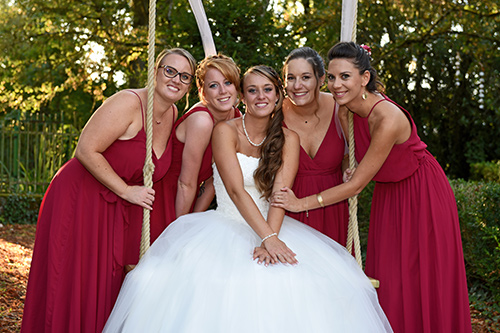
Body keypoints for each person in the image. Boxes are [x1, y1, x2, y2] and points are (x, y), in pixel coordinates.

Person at [102, 65, 393, 332]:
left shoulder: (288, 139)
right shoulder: (224, 132)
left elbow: (281, 194)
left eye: (268, 90)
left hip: (273, 224)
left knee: (303, 285)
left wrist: (273, 237)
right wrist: (267, 238)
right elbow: (235, 190)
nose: (260, 96)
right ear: (243, 97)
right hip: (226, 224)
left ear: (279, 97)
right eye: (252, 90)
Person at [271, 41, 472, 333]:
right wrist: (353, 167)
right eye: (332, 77)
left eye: (345, 77)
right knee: (389, 278)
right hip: (388, 194)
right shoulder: (346, 111)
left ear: (364, 78)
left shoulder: (386, 117)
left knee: (424, 276)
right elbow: (356, 161)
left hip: (421, 193)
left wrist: (301, 203)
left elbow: (355, 186)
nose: (337, 85)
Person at [21, 48, 196, 333]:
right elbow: (86, 149)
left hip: (116, 207)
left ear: (189, 85)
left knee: (108, 286)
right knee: (76, 283)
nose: (176, 79)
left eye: (185, 76)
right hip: (82, 199)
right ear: (155, 70)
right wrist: (127, 191)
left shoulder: (174, 113)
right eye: (170, 70)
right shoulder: (129, 103)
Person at [150, 54, 242, 241]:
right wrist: (179, 230)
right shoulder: (202, 121)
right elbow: (186, 182)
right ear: (203, 92)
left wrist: (194, 220)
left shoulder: (236, 118)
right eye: (213, 85)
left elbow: (214, 180)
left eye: (228, 82)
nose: (223, 91)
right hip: (164, 196)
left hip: (188, 199)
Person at [281, 47, 349, 245]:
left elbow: (347, 156)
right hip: (289, 210)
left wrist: (348, 171)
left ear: (320, 80)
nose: (297, 85)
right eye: (291, 78)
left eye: (305, 77)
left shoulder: (341, 109)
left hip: (333, 207)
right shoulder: (274, 113)